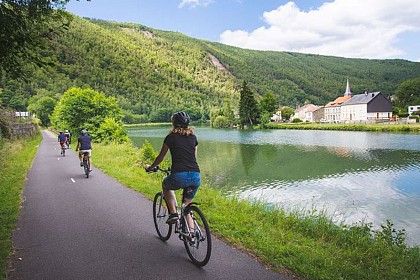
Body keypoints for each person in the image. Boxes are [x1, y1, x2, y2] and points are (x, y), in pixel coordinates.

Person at [146, 111, 200, 224]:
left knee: (166, 186)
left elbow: (160, 158)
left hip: (179, 175)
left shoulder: (170, 138)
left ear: (174, 123)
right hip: (196, 176)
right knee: (187, 206)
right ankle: (192, 237)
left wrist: (151, 167)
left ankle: (174, 214)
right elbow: (193, 158)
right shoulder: (193, 138)